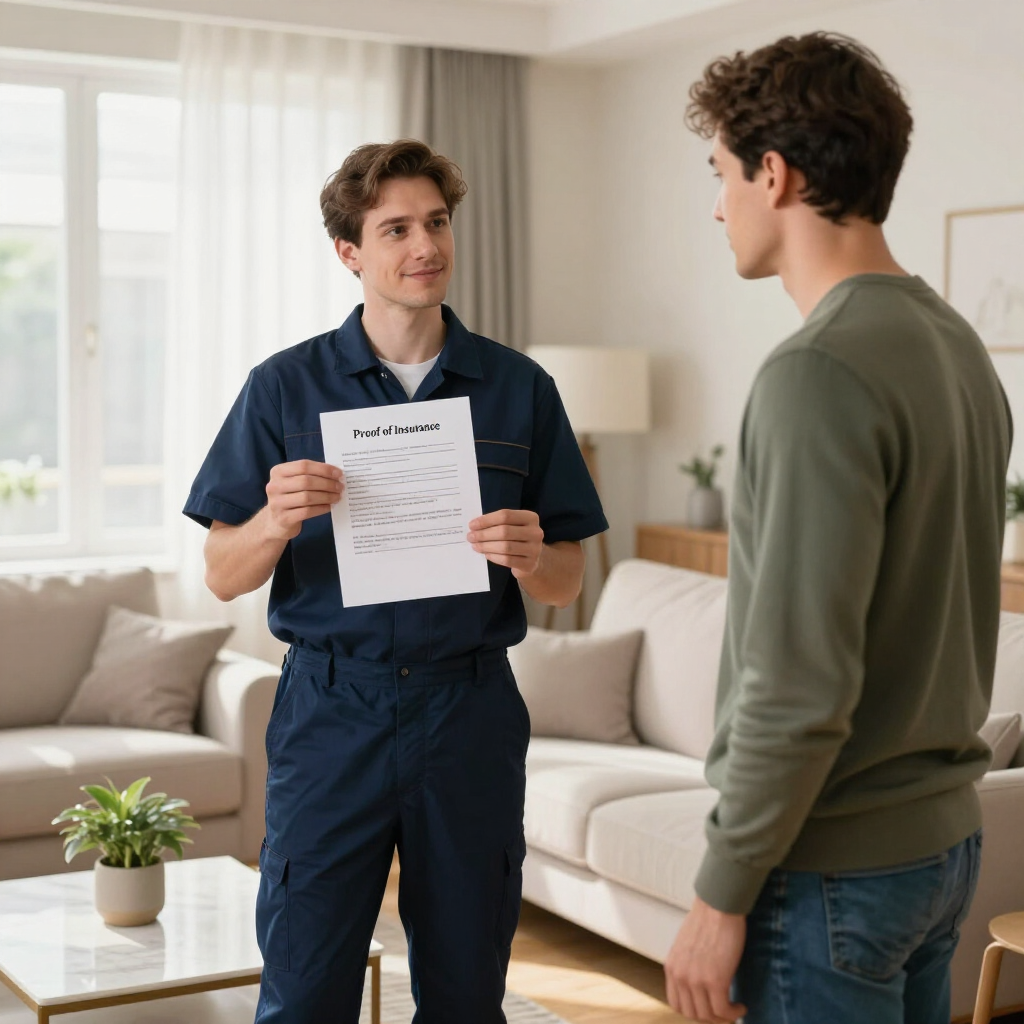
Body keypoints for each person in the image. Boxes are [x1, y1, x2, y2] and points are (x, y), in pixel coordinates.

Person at [183, 139, 607, 1024]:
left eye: (438, 222)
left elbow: (568, 579)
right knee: (304, 989)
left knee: (465, 991)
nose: (426, 246)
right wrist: (273, 519)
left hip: (471, 713)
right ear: (351, 253)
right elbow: (222, 575)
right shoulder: (285, 387)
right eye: (398, 228)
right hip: (332, 713)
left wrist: (534, 554)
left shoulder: (519, 389)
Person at [663, 32, 1012, 1024]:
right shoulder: (954, 345)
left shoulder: (814, 371)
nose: (716, 202)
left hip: (832, 869)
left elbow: (798, 680)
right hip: (939, 851)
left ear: (773, 175)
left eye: (721, 173)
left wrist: (718, 887)